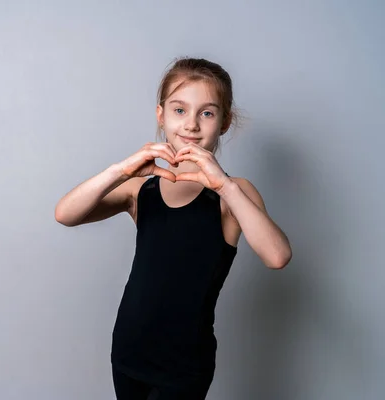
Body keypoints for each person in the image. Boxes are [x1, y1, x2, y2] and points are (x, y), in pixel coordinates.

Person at [54, 57, 292, 399]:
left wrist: (223, 185)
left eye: (207, 113)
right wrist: (121, 171)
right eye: (180, 110)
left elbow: (277, 256)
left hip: (184, 365)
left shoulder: (232, 194)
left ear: (224, 123)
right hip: (128, 352)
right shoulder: (140, 190)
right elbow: (66, 213)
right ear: (161, 115)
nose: (191, 125)